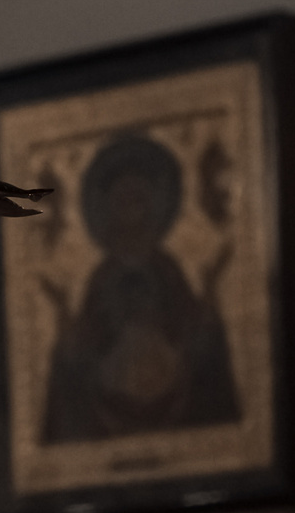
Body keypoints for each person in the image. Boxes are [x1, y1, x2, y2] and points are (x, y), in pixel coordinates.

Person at [39, 131, 241, 445]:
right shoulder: (103, 276)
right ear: (108, 210)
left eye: (139, 200)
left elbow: (193, 327)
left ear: (154, 206)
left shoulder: (167, 268)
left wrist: (209, 295)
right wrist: (66, 319)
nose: (132, 211)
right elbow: (84, 342)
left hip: (172, 386)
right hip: (109, 394)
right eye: (123, 202)